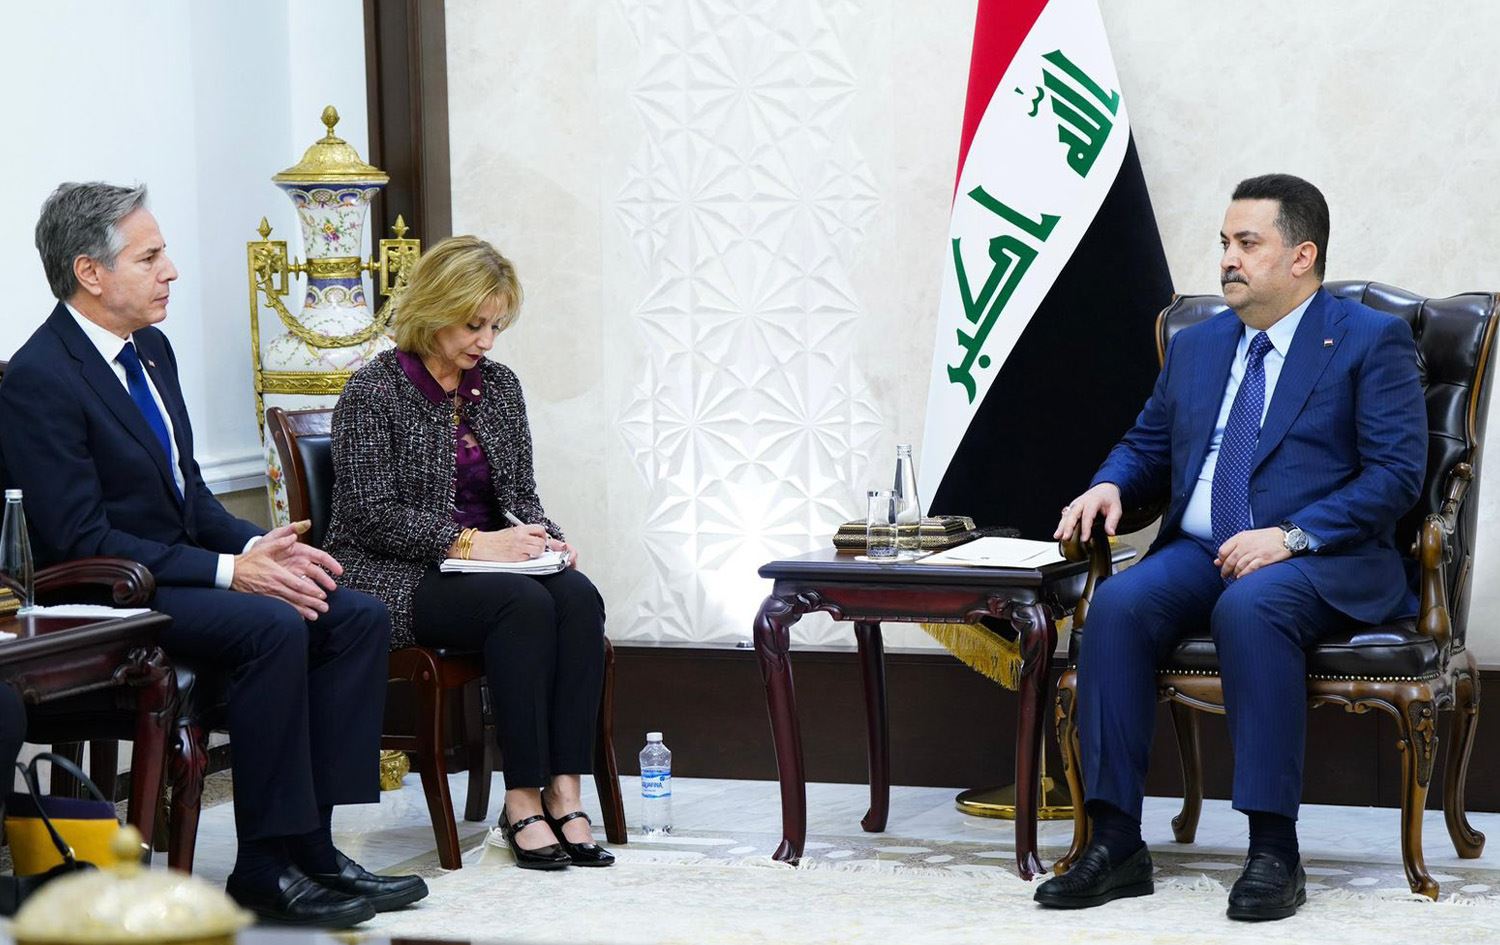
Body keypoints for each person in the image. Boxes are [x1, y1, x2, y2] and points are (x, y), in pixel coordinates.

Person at [0, 182, 427, 926]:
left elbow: (190, 495)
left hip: (177, 574)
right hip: (108, 593)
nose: (170, 271)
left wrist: (260, 546)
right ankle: (263, 865)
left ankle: (313, 849)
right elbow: (78, 538)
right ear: (90, 273)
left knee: (350, 613)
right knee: (272, 625)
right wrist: (234, 573)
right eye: (150, 257)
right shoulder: (41, 377)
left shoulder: (150, 350)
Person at [1033, 174, 1426, 921]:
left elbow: (1396, 475)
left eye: (1248, 243)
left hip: (1319, 555)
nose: (1227, 260)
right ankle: (1114, 843)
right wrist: (1110, 483)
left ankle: (1273, 851)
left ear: (1302, 256)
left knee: (1252, 606)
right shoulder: (1199, 344)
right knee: (1116, 604)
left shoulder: (1368, 340)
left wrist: (1290, 536)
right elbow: (1146, 443)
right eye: (1224, 243)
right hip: (1202, 548)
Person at [325, 235, 613, 870]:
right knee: (520, 605)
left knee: (577, 597)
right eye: (473, 325)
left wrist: (546, 538)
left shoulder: (499, 386)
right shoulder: (373, 391)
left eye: (496, 326)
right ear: (433, 310)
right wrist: (472, 544)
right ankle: (522, 799)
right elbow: (369, 516)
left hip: (488, 564)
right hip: (393, 571)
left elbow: (520, 496)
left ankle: (565, 790)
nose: (486, 341)